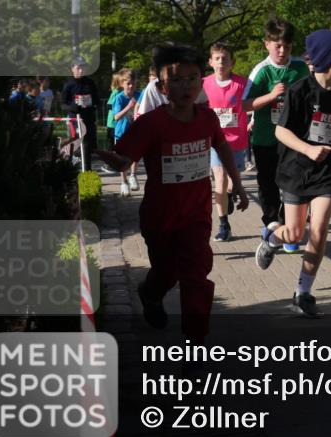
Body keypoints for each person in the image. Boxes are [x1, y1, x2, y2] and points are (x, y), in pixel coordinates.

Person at [96, 43, 249, 343]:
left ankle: (195, 346)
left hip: (196, 215)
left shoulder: (207, 119)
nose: (186, 86)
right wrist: (117, 162)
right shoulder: (151, 123)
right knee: (166, 273)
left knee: (195, 276)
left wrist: (238, 186)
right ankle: (149, 293)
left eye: (193, 78)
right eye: (177, 79)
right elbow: (125, 157)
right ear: (162, 87)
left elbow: (222, 147)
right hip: (160, 217)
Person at [271, 29, 331, 318]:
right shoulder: (299, 91)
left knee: (319, 230)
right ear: (325, 58)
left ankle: (303, 292)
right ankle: (271, 238)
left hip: (328, 170)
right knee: (294, 233)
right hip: (297, 169)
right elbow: (280, 130)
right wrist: (308, 150)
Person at [249, 19, 310, 260]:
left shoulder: (300, 68)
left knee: (293, 185)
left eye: (287, 46)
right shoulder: (261, 71)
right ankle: (272, 223)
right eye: (277, 46)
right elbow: (244, 105)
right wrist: (270, 95)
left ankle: (288, 229)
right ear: (267, 44)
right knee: (268, 185)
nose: (283, 51)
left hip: (293, 139)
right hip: (266, 139)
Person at [203, 42, 253, 242]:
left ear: (232, 62)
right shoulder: (203, 83)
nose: (221, 62)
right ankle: (224, 225)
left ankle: (231, 194)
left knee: (233, 180)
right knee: (220, 179)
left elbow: (253, 104)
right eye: (217, 58)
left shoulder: (243, 84)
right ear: (210, 62)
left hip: (237, 140)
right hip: (215, 141)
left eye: (225, 58)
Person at [62, 58, 100, 171]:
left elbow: (97, 100)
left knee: (88, 145)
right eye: (78, 68)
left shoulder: (90, 82)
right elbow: (63, 104)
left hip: (88, 118)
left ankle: (87, 170)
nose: (81, 70)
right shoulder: (69, 85)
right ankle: (70, 165)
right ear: (72, 69)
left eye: (83, 67)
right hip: (75, 119)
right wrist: (73, 107)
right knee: (77, 143)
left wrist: (91, 103)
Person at [111, 68, 142, 196]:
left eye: (133, 83)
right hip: (121, 132)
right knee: (122, 159)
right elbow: (116, 117)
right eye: (128, 83)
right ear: (122, 84)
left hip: (135, 131)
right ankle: (123, 182)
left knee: (135, 155)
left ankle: (133, 176)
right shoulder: (118, 98)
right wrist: (129, 106)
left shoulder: (140, 95)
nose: (131, 86)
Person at [105, 72, 122, 152]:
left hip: (116, 122)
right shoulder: (116, 92)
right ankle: (110, 161)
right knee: (111, 143)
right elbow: (109, 105)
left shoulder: (119, 92)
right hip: (112, 122)